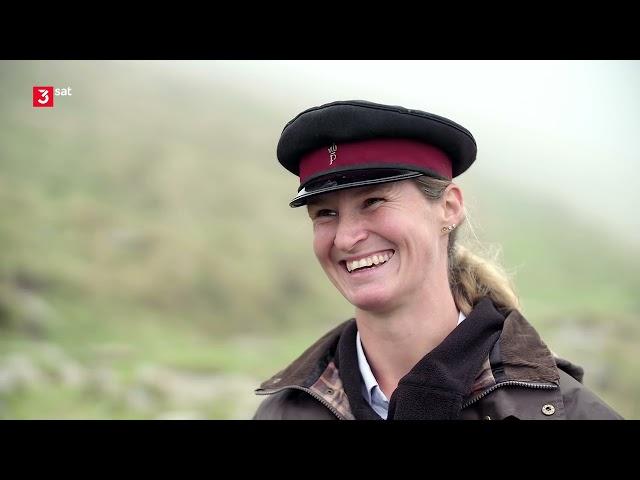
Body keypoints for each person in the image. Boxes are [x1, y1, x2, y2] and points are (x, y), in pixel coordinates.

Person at [253, 100, 622, 420]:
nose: (347, 238)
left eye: (373, 202)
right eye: (325, 214)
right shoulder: (282, 411)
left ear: (449, 207)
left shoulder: (560, 410)